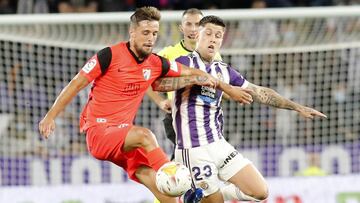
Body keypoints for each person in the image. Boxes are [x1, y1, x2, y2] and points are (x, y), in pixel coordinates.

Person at [38, 7, 218, 203]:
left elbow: (183, 70)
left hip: (124, 139)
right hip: (99, 132)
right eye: (146, 33)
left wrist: (204, 76)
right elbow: (75, 84)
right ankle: (183, 184)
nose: (151, 38)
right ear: (132, 33)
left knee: (160, 187)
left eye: (155, 33)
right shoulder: (108, 56)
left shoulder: (155, 63)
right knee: (145, 136)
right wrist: (50, 116)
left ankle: (177, 193)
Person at [168, 15, 327, 202]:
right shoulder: (184, 62)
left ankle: (203, 195)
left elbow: (259, 92)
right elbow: (162, 83)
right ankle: (197, 196)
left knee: (260, 192)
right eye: (208, 33)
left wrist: (297, 107)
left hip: (218, 144)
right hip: (193, 148)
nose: (213, 39)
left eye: (218, 35)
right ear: (198, 35)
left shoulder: (224, 70)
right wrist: (198, 79)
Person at [146, 8, 222, 160]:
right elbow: (145, 77)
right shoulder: (168, 54)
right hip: (178, 116)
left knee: (198, 162)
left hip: (206, 117)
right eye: (188, 24)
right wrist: (160, 101)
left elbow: (220, 88)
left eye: (197, 24)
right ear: (181, 28)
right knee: (189, 161)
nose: (193, 29)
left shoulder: (214, 55)